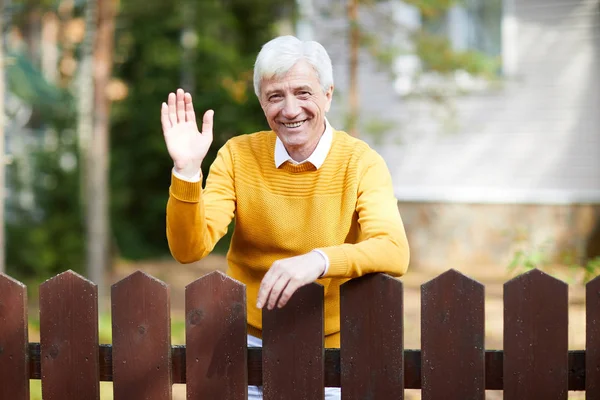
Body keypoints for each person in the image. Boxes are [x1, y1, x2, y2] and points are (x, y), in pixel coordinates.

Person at [162, 35, 409, 399]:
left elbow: (393, 250)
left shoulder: (361, 162)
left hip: (336, 351)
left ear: (328, 94)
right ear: (262, 102)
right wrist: (186, 172)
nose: (290, 109)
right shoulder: (237, 156)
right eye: (275, 96)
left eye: (303, 93)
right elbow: (189, 249)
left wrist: (319, 260)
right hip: (248, 346)